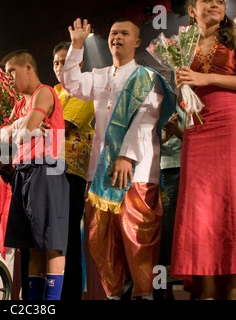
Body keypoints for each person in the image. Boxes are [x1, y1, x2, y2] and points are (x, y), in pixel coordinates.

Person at [61, 18, 176, 300]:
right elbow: (71, 83)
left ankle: (144, 293)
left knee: (137, 236)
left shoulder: (147, 77)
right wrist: (77, 46)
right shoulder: (99, 75)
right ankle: (115, 293)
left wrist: (126, 155)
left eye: (125, 33)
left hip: (136, 170)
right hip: (100, 170)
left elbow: (145, 119)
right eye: (113, 33)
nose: (117, 37)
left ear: (137, 42)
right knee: (99, 238)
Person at [171, 0, 236, 300]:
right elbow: (188, 90)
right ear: (192, 10)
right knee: (202, 214)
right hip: (197, 131)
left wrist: (204, 78)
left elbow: (206, 80)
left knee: (229, 208)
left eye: (220, 1)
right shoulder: (184, 44)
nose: (215, 4)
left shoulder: (235, 35)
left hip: (230, 127)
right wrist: (184, 86)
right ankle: (208, 293)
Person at [0, 49, 69, 300]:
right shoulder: (21, 104)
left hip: (46, 169)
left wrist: (19, 127)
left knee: (52, 244)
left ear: (28, 68)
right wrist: (19, 126)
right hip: (23, 172)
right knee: (33, 247)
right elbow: (3, 136)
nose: (8, 78)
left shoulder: (44, 92)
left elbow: (22, 133)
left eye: (11, 72)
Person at [52, 41, 95, 300]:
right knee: (49, 239)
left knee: (67, 238)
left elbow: (61, 126)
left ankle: (70, 296)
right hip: (46, 171)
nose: (60, 66)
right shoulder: (53, 94)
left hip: (71, 173)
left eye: (64, 61)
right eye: (56, 62)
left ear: (78, 63)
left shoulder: (84, 90)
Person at [154, 108, 184, 301]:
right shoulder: (152, 104)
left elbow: (199, 136)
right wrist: (164, 137)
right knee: (162, 230)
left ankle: (195, 285)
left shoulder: (186, 101)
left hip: (186, 166)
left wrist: (179, 133)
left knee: (180, 229)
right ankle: (163, 288)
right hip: (160, 169)